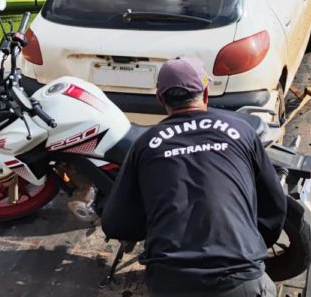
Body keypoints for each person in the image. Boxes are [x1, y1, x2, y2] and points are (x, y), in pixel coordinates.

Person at [101, 57, 287, 296]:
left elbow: (117, 223)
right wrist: (250, 246)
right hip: (242, 280)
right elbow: (274, 205)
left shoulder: (145, 144)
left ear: (160, 100)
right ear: (206, 93)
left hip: (173, 283)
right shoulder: (242, 131)